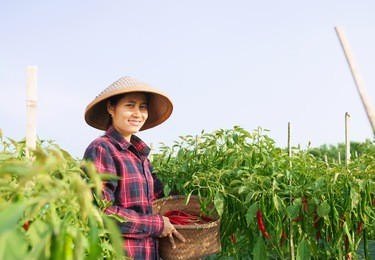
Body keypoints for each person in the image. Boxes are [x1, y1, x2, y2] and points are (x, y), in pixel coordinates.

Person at [83, 76, 185, 259]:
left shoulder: (142, 156)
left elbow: (158, 203)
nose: (138, 113)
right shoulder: (102, 149)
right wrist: (157, 225)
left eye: (142, 107)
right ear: (111, 108)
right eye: (130, 105)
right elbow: (99, 211)